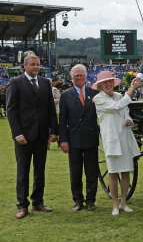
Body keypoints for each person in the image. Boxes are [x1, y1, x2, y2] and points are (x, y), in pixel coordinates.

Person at [6, 52, 58, 219]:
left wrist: (54, 131)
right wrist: (17, 133)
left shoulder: (45, 82)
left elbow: (51, 109)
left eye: (38, 64)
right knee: (23, 171)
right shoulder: (15, 83)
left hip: (42, 136)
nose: (36, 67)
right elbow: (11, 110)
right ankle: (22, 206)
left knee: (40, 170)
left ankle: (38, 202)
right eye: (33, 64)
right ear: (25, 66)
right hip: (24, 136)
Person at [92, 70, 141, 216]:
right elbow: (116, 107)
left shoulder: (119, 96)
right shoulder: (98, 99)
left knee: (125, 172)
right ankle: (114, 204)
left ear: (113, 83)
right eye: (104, 83)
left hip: (124, 138)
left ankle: (123, 203)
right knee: (113, 173)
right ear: (100, 86)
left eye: (109, 82)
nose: (107, 84)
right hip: (111, 140)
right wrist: (131, 90)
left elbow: (125, 113)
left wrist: (129, 121)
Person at [58, 64, 100, 211]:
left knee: (92, 172)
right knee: (75, 172)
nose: (79, 77)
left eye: (81, 74)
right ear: (71, 77)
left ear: (86, 75)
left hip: (91, 138)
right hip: (73, 140)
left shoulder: (94, 93)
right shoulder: (65, 95)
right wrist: (63, 140)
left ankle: (90, 201)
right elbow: (62, 120)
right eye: (76, 75)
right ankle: (78, 201)